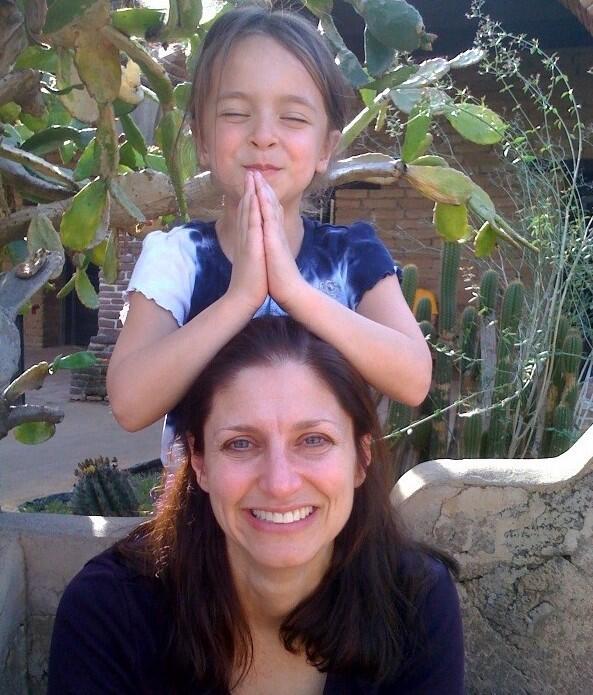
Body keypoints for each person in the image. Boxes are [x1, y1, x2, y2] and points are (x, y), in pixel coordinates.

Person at [49, 317, 463, 694]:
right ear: (200, 462)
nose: (280, 484)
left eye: (313, 440)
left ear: (361, 457)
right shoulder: (109, 612)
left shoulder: (414, 602)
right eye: (241, 444)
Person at [106, 6, 432, 468]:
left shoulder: (353, 254)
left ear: (325, 147)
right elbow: (130, 402)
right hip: (206, 518)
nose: (263, 136)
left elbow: (414, 378)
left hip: (320, 515)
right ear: (201, 138)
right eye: (236, 113)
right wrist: (240, 298)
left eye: (293, 118)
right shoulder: (178, 256)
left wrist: (294, 291)